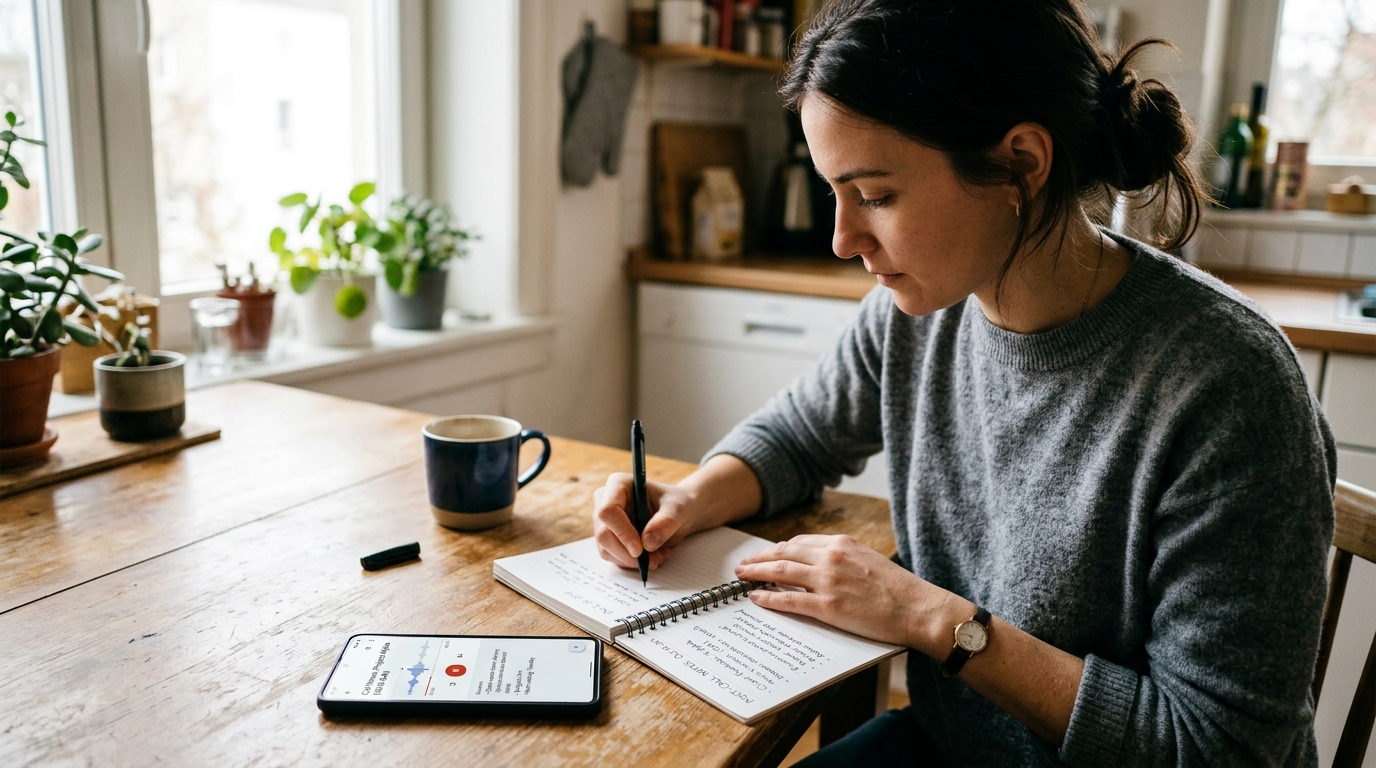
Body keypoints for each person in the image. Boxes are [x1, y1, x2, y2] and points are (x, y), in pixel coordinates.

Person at [592, 0, 1336, 764]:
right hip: (952, 747)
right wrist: (687, 500)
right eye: (835, 193)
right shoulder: (919, 310)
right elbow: (799, 434)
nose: (844, 240)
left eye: (876, 196)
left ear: (1019, 163)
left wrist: (932, 619)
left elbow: (1219, 751)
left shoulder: (1229, 387)